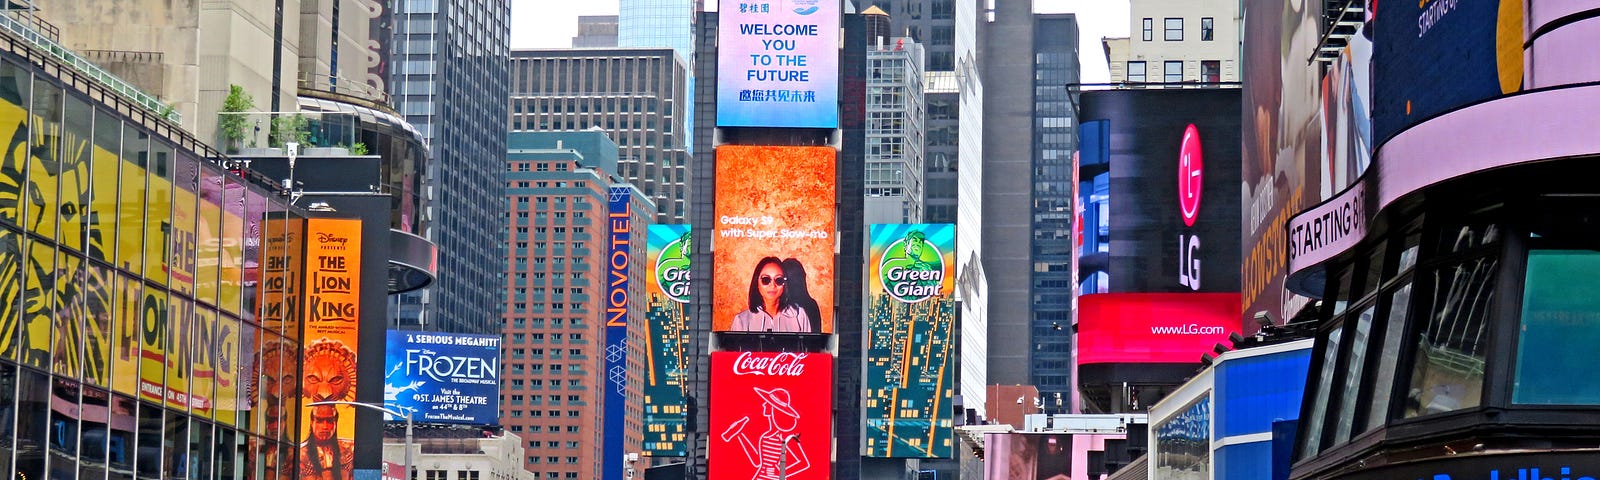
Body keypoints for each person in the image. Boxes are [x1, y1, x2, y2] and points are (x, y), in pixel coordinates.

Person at [719, 387, 810, 479]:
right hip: (760, 476)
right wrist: (740, 434)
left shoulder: (784, 435)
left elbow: (803, 462)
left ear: (774, 408)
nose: (764, 404)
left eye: (768, 402)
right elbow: (757, 462)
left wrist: (780, 474)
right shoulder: (766, 436)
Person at [731, 257, 812, 332]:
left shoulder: (799, 316)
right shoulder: (741, 321)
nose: (773, 285)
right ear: (757, 283)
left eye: (779, 280)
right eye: (766, 279)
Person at [299, 405, 355, 480]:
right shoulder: (299, 454)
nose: (325, 426)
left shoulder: (349, 450)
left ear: (335, 423)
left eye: (329, 421)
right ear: (312, 423)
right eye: (319, 421)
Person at [780, 258, 823, 333]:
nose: (796, 282)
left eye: (798, 277)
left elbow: (815, 338)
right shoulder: (777, 305)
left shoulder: (811, 306)